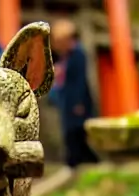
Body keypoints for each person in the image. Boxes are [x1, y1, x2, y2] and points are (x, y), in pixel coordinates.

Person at [48, 19, 98, 168]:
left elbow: (80, 81)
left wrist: (78, 103)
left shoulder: (78, 54)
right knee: (72, 137)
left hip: (77, 103)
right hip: (67, 102)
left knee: (77, 136)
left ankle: (81, 164)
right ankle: (76, 164)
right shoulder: (66, 57)